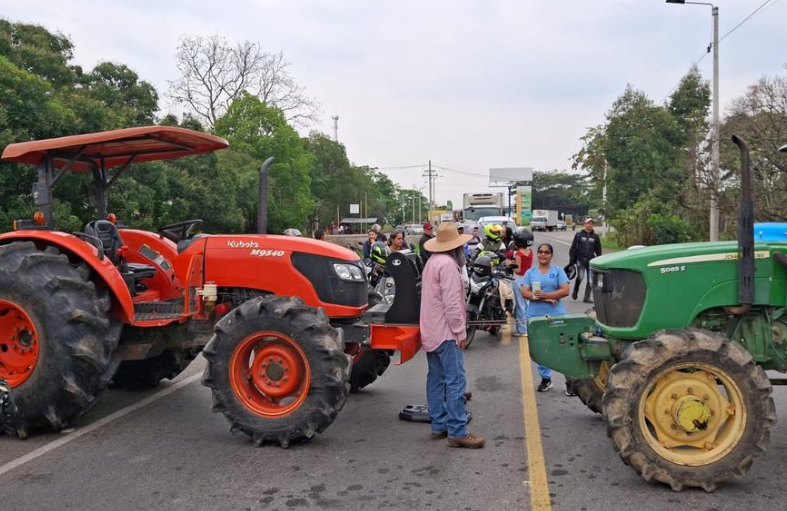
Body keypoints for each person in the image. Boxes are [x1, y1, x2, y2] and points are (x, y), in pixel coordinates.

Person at [420, 222, 484, 448]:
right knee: (456, 381)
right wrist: (460, 332)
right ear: (455, 248)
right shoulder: (448, 265)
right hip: (446, 332)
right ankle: (457, 430)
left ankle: (439, 425)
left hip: (431, 331)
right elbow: (453, 305)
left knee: (436, 379)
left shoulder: (432, 262)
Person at [521, 243, 570, 392]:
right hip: (535, 317)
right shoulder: (530, 273)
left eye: (546, 252)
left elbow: (565, 290)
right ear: (537, 254)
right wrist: (545, 299)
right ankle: (546, 379)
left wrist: (547, 295)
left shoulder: (558, 271)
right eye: (540, 252)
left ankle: (570, 382)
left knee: (562, 349)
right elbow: (525, 292)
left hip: (557, 316)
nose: (543, 254)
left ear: (551, 255)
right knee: (540, 349)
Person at [569, 218, 602, 304]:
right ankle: (575, 291)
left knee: (590, 280)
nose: (590, 225)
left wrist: (599, 261)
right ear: (585, 224)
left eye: (591, 223)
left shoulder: (595, 237)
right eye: (588, 223)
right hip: (580, 260)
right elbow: (573, 248)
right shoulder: (578, 235)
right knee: (580, 277)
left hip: (591, 261)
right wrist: (572, 261)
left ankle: (586, 297)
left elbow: (598, 250)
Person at [511, 228, 534, 337]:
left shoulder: (519, 254)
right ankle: (529, 327)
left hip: (519, 280)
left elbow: (518, 270)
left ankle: (522, 330)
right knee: (527, 305)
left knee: (520, 306)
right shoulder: (530, 252)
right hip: (528, 280)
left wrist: (509, 264)